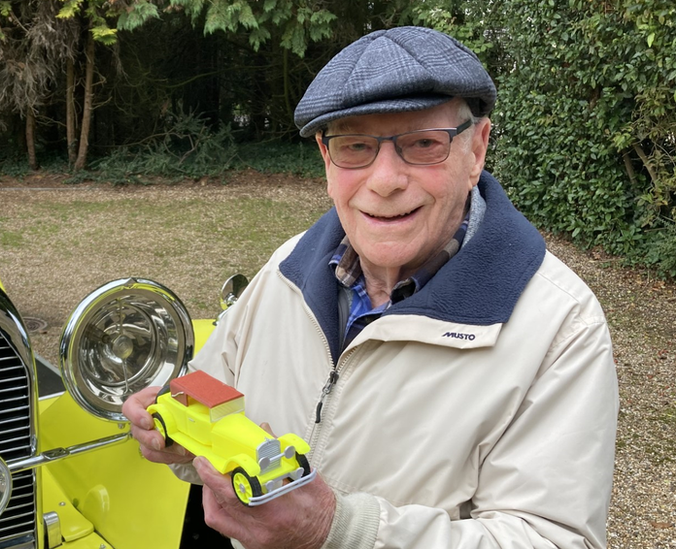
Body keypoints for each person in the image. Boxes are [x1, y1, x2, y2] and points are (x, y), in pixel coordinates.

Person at [122, 26, 617, 549]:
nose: (384, 180)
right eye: (355, 146)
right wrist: (175, 430)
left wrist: (338, 531)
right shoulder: (287, 267)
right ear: (326, 159)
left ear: (476, 150)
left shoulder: (561, 327)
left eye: (423, 144)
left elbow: (555, 540)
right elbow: (210, 391)